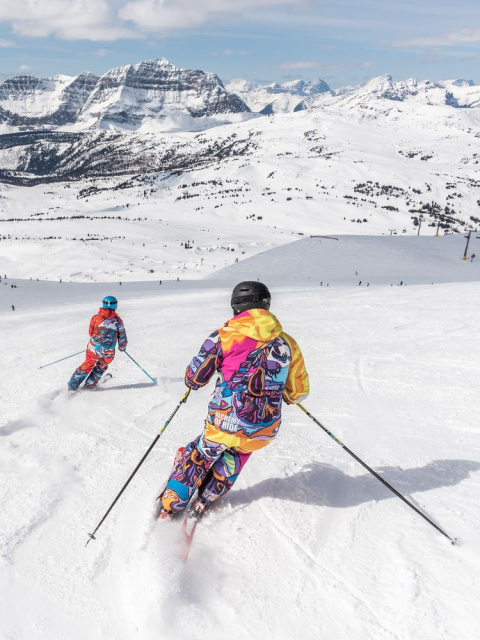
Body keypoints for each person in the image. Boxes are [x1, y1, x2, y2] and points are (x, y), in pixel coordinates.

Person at [158, 281, 310, 519]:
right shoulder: (287, 343)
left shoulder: (223, 337)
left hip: (224, 420)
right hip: (264, 427)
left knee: (200, 453)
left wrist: (191, 382)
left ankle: (172, 503)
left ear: (237, 306)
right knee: (237, 454)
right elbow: (297, 391)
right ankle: (207, 496)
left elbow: (196, 377)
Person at [67, 296, 127, 390]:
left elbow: (90, 332)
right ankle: (89, 385)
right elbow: (122, 337)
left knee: (88, 363)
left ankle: (73, 384)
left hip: (93, 348)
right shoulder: (118, 321)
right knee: (101, 366)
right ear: (115, 305)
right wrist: (122, 347)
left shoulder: (96, 318)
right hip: (107, 353)